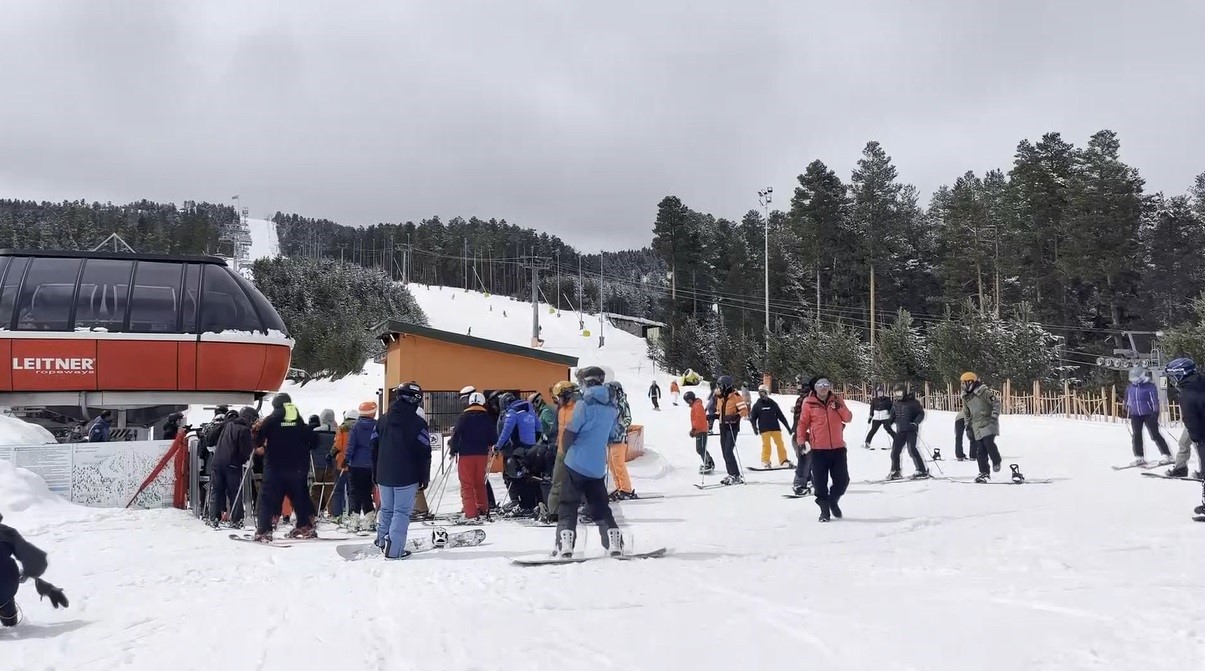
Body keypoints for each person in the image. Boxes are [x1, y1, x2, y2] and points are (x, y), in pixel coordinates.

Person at [554, 366, 624, 558]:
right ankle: (613, 541)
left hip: (575, 462)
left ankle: (564, 545)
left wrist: (565, 450)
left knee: (568, 504)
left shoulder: (583, 404)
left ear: (586, 382)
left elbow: (570, 431)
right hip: (597, 467)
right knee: (600, 505)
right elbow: (613, 435)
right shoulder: (612, 407)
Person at [374, 382, 432, 559]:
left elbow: (373, 446)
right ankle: (394, 550)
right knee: (401, 512)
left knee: (386, 510)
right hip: (407, 475)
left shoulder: (382, 420)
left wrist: (375, 473)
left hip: (383, 473)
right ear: (415, 399)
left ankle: (381, 541)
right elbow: (425, 452)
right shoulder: (418, 423)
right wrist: (424, 477)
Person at [252, 393, 319, 542]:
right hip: (298, 468)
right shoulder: (298, 420)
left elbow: (257, 441)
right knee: (299, 496)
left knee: (267, 498)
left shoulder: (270, 420)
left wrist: (257, 433)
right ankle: (305, 526)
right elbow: (313, 441)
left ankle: (264, 530)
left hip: (275, 468)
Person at [796, 376, 853, 522]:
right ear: (814, 387)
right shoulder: (809, 403)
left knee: (842, 480)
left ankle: (833, 500)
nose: (823, 387)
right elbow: (802, 423)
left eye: (826, 384)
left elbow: (848, 418)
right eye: (820, 384)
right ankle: (824, 511)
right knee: (820, 484)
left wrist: (839, 407)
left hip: (838, 448)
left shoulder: (837, 400)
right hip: (819, 450)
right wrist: (801, 441)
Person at [1, 512, 69, 627]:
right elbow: (35, 559)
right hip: (5, 586)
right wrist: (33, 576)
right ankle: (10, 621)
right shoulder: (6, 533)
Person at [449, 392, 497, 522]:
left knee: (467, 484)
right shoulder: (487, 418)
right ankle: (482, 509)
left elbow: (456, 434)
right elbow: (493, 437)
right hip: (482, 455)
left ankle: (470, 513)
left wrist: (453, 449)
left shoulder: (464, 417)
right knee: (480, 483)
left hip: (466, 455)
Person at [208, 406, 257, 528]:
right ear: (249, 418)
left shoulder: (228, 425)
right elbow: (245, 450)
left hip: (217, 462)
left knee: (217, 490)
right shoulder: (244, 430)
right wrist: (245, 459)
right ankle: (236, 519)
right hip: (232, 463)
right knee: (234, 491)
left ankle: (213, 517)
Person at [541, 381, 579, 524]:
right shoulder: (560, 409)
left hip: (577, 452)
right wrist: (553, 444)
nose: (557, 400)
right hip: (562, 451)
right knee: (557, 482)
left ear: (567, 394)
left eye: (559, 397)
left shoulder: (580, 408)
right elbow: (556, 430)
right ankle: (554, 513)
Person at [497, 393, 541, 513]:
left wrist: (498, 446)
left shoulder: (512, 411)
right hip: (532, 448)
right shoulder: (530, 409)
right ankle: (533, 502)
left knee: (515, 474)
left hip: (518, 448)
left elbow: (506, 432)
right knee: (530, 475)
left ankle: (520, 503)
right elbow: (539, 428)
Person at [343, 401, 379, 533]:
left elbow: (351, 445)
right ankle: (370, 518)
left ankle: (355, 518)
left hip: (356, 464)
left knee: (354, 491)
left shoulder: (356, 426)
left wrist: (347, 459)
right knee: (366, 491)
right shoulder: (377, 426)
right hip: (372, 464)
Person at [960, 372, 1003, 483]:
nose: (964, 385)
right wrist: (967, 426)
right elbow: (966, 412)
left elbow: (996, 403)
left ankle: (996, 460)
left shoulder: (983, 391)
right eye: (963, 383)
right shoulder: (966, 397)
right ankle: (984, 473)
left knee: (988, 442)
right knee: (980, 450)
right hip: (976, 425)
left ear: (972, 382)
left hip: (989, 421)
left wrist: (994, 415)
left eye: (966, 383)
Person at [1125, 367, 1172, 466]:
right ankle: (1139, 457)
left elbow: (1155, 401)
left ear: (1141, 376)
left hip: (1149, 414)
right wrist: (1127, 409)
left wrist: (1155, 413)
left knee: (1155, 434)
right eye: (1132, 379)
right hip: (1135, 414)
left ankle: (1167, 455)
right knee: (1136, 435)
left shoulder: (1149, 386)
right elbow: (1129, 400)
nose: (1134, 381)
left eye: (1135, 378)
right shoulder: (1131, 387)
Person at [715, 375, 751, 485]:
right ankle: (731, 473)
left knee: (728, 451)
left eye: (721, 385)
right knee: (724, 452)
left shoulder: (736, 397)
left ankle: (736, 475)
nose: (719, 388)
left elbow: (744, 410)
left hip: (732, 427)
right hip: (723, 427)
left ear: (726, 386)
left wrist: (736, 417)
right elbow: (719, 411)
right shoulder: (720, 397)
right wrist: (713, 416)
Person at [887, 385, 928, 480]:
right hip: (900, 431)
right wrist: (888, 423)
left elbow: (921, 413)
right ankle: (895, 471)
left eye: (900, 393)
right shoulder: (895, 404)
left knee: (912, 449)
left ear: (904, 392)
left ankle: (921, 470)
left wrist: (915, 422)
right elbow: (893, 417)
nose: (898, 395)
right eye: (896, 393)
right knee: (895, 451)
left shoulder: (913, 402)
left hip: (911, 430)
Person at [607, 381, 637, 500]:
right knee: (612, 465)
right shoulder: (609, 404)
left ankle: (626, 489)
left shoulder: (622, 402)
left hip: (619, 438)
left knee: (618, 464)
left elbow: (628, 418)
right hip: (609, 439)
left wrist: (620, 427)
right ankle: (619, 487)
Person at [750, 385, 792, 468]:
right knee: (766, 445)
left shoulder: (773, 403)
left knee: (780, 444)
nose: (762, 395)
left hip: (775, 428)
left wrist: (788, 427)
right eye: (760, 393)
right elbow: (753, 418)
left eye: (763, 393)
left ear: (767, 393)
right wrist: (755, 428)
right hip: (764, 429)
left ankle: (783, 460)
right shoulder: (757, 405)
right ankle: (765, 461)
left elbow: (781, 416)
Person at [327, 410, 356, 521]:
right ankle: (353, 514)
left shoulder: (342, 428)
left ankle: (337, 514)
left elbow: (338, 444)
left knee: (338, 490)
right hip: (355, 464)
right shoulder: (359, 427)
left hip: (341, 463)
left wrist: (330, 455)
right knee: (352, 491)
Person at [790, 381, 814, 496]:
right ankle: (803, 482)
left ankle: (806, 482)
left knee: (806, 457)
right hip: (804, 433)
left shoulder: (801, 399)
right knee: (806, 458)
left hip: (801, 433)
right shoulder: (808, 399)